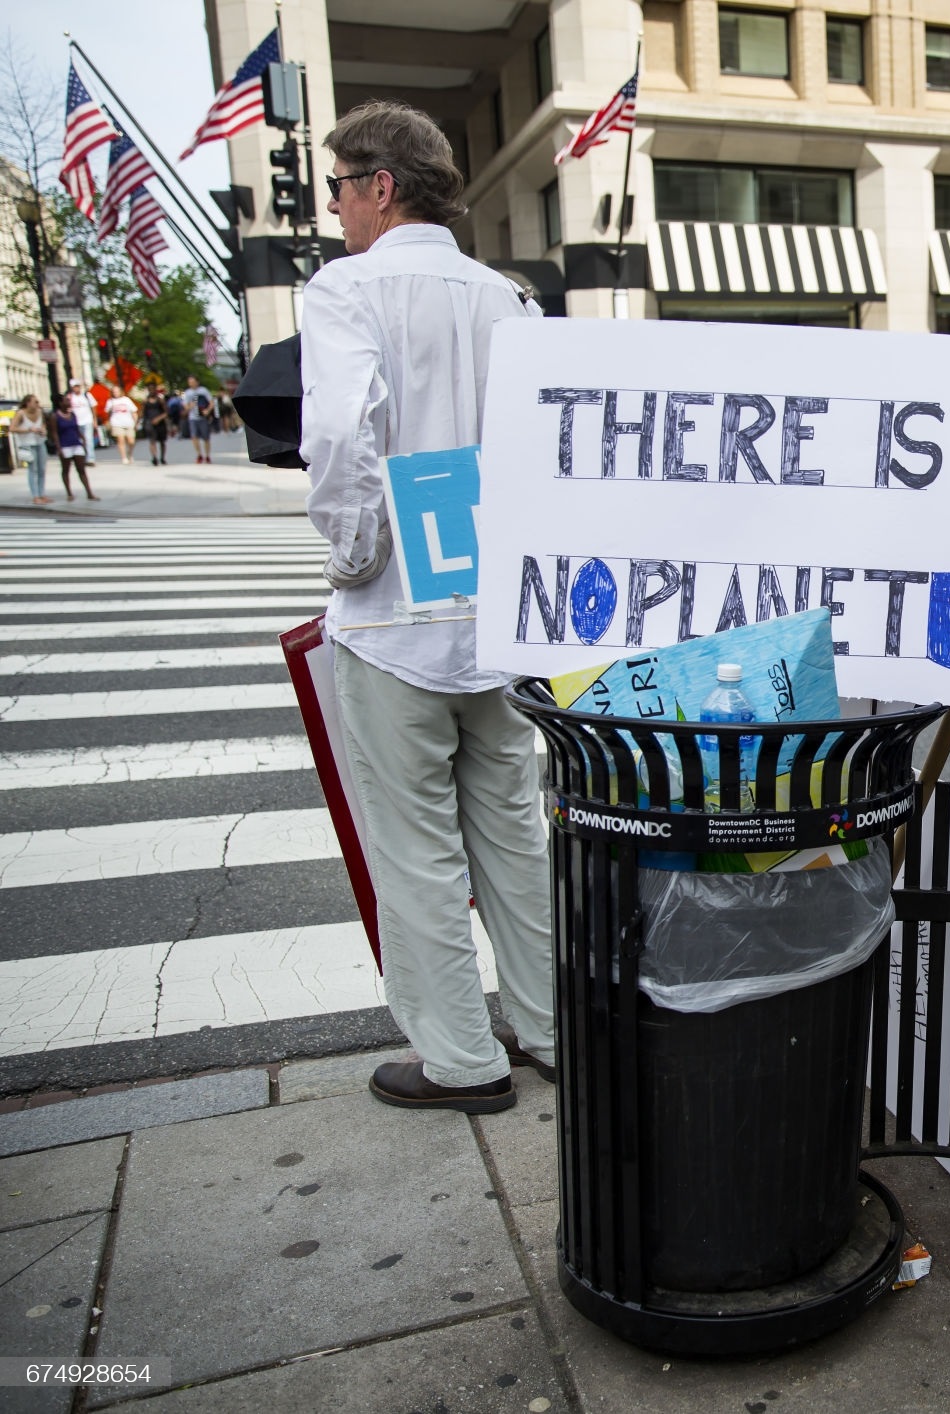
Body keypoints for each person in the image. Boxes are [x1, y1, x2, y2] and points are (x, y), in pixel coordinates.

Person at [301, 99, 554, 1115]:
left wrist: (354, 557)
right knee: (514, 835)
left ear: (378, 185)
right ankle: (548, 1026)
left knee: (415, 848)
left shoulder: (348, 288)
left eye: (338, 187)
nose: (331, 208)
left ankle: (459, 1056)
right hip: (493, 617)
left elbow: (340, 434)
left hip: (394, 618)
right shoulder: (508, 298)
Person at [46, 392, 97, 500]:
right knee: (66, 470)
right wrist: (58, 448)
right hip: (65, 446)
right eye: (66, 400)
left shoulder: (72, 414)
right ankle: (69, 493)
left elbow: (76, 429)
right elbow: (54, 433)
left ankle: (89, 493)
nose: (69, 402)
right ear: (60, 403)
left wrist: (82, 439)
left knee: (81, 469)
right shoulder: (55, 417)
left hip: (76, 444)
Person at [12, 393, 50, 504]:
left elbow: (43, 425)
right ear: (28, 403)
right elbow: (12, 428)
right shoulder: (21, 413)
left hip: (40, 442)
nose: (38, 404)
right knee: (32, 470)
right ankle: (35, 496)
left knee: (42, 469)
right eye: (35, 402)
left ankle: (42, 494)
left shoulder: (39, 412)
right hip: (28, 444)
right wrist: (29, 429)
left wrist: (43, 430)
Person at [184, 376, 216, 463]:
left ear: (197, 382)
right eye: (190, 382)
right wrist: (190, 406)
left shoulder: (203, 390)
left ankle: (207, 455)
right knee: (194, 437)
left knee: (206, 437)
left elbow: (211, 402)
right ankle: (199, 454)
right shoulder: (187, 392)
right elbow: (185, 406)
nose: (191, 384)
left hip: (203, 417)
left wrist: (207, 411)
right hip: (193, 418)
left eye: (193, 381)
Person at [107, 385, 139, 464]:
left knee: (131, 441)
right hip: (117, 423)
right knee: (120, 440)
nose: (115, 393)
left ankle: (130, 454)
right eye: (114, 392)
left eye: (117, 391)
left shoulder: (126, 400)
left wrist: (136, 423)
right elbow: (108, 413)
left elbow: (134, 411)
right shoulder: (110, 401)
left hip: (128, 422)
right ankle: (124, 457)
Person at [67, 380, 98, 455]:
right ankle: (82, 456)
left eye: (78, 386)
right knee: (80, 440)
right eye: (75, 386)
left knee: (88, 439)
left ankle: (90, 458)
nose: (77, 388)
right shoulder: (70, 397)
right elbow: (67, 408)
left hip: (87, 421)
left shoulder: (87, 395)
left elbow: (93, 407)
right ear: (72, 387)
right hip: (76, 422)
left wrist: (95, 420)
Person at [142, 388, 171, 464]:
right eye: (150, 390)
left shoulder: (160, 401)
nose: (152, 391)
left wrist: (159, 419)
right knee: (152, 441)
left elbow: (166, 412)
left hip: (160, 423)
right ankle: (154, 457)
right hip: (149, 423)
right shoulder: (145, 401)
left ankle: (162, 458)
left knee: (162, 441)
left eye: (153, 389)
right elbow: (142, 413)